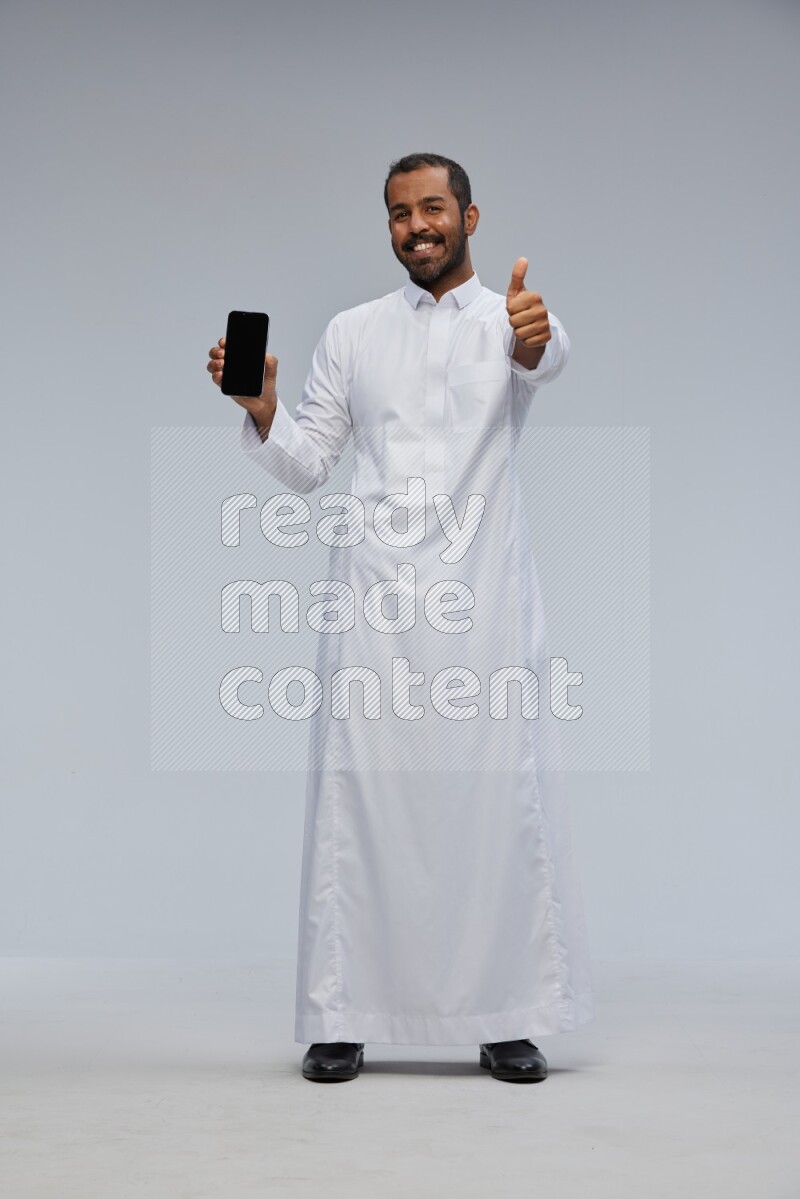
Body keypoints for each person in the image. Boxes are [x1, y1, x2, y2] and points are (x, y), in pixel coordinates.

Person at [207, 152, 594, 1083]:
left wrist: (535, 337)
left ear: (468, 216)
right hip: (374, 599)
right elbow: (307, 464)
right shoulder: (352, 332)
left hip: (484, 603)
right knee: (360, 803)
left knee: (495, 804)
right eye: (398, 213)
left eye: (432, 209)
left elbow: (545, 357)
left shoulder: (512, 319)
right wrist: (263, 409)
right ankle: (342, 1012)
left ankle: (505, 1014)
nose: (415, 226)